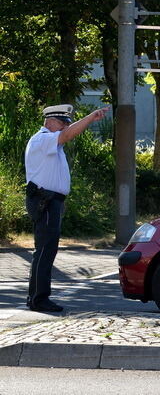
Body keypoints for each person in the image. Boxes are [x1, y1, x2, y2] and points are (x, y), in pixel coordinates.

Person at [24, 104, 108, 312]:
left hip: (52, 202)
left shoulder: (51, 143)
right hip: (46, 201)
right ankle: (38, 299)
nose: (65, 128)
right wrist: (90, 118)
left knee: (45, 251)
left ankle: (35, 297)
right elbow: (68, 135)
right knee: (45, 251)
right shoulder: (42, 139)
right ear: (50, 121)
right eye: (62, 123)